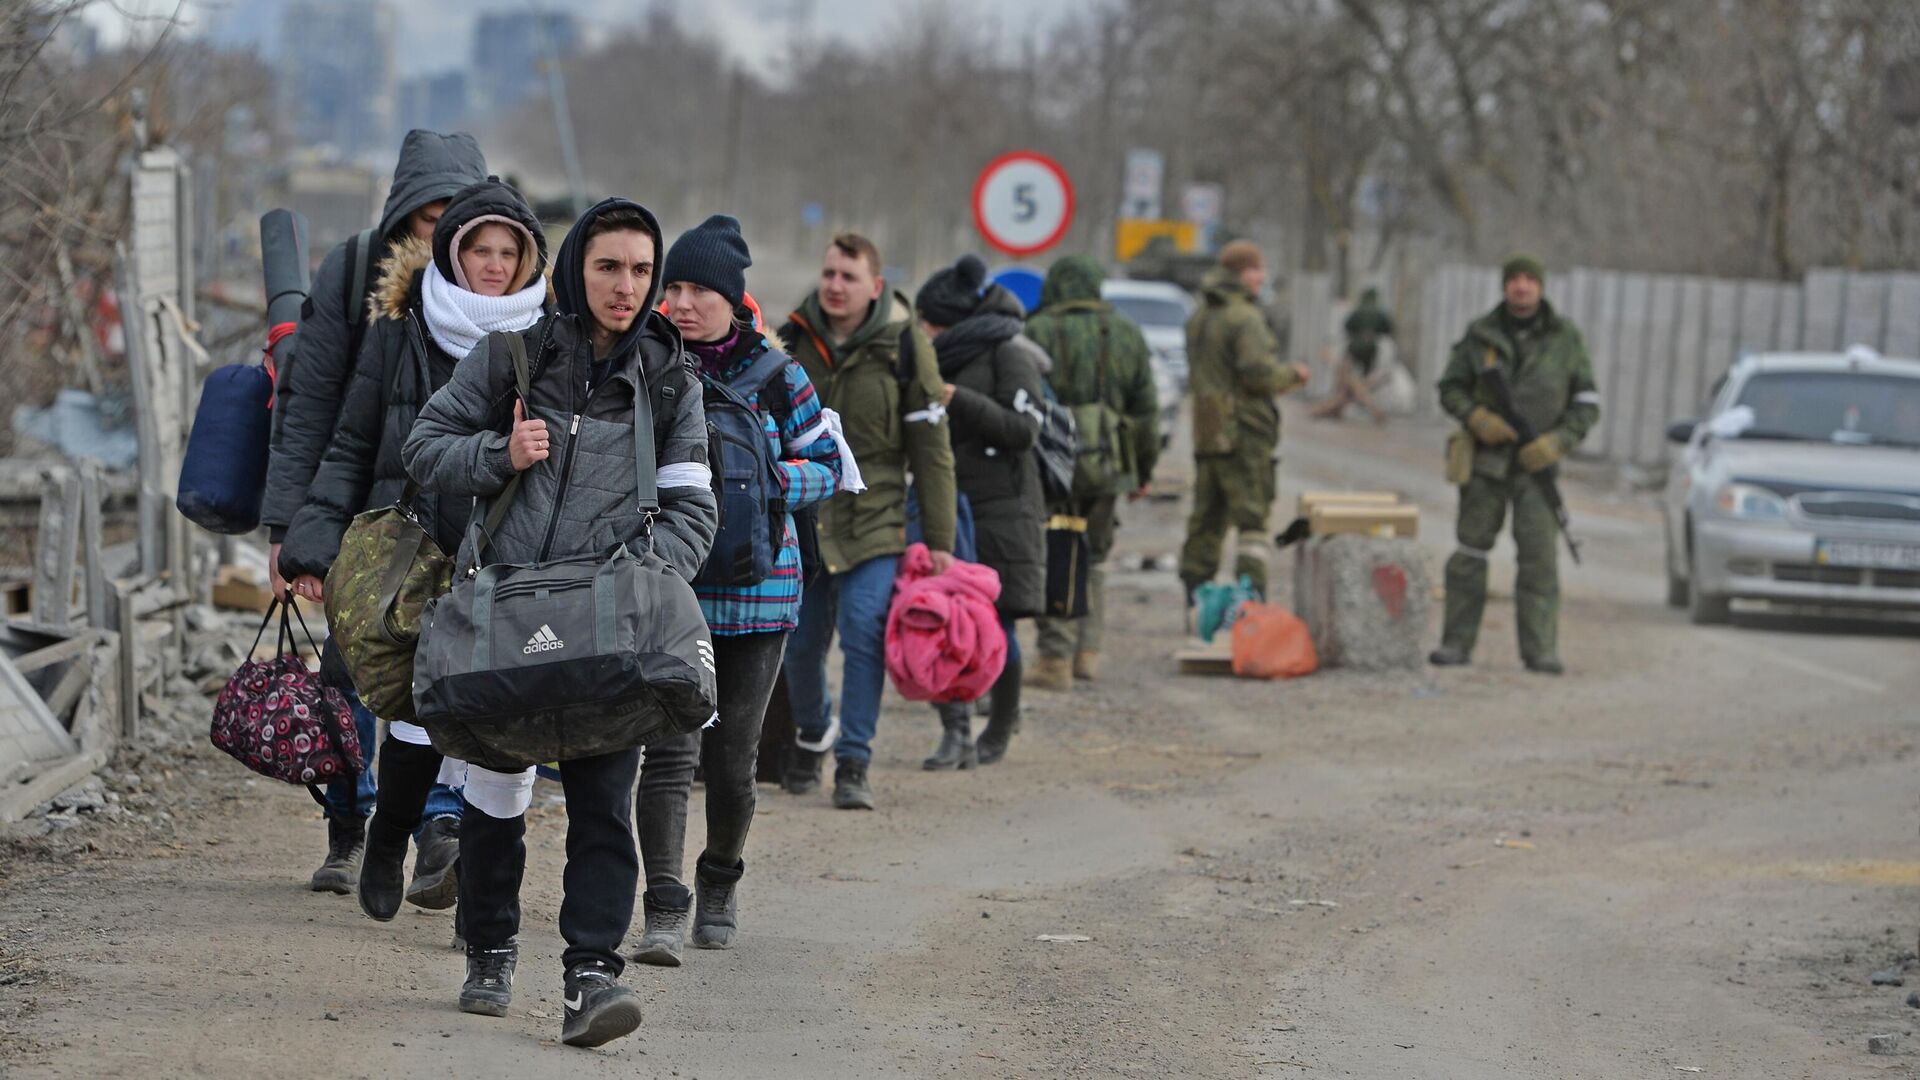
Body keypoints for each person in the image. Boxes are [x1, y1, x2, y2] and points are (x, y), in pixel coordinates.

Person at [402, 198, 716, 1047]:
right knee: (496, 801)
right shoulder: (512, 355)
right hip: (504, 616)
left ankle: (591, 977)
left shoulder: (670, 380)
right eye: (609, 266)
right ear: (576, 264)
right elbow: (425, 447)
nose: (626, 286)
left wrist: (644, 590)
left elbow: (693, 510)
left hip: (611, 632)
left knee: (604, 806)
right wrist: (500, 456)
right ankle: (491, 946)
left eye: (642, 271)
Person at [279, 177, 550, 924]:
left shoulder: (548, 336)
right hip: (412, 549)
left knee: (488, 711)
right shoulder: (400, 330)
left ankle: (463, 871)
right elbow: (351, 441)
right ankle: (391, 835)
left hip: (506, 554)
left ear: (529, 260)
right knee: (409, 704)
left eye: (509, 252)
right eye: (479, 250)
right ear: (453, 253)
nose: (494, 266)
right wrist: (310, 543)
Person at [262, 129, 487, 896]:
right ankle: (347, 823)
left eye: (460, 213)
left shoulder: (509, 284)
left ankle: (438, 828)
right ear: (401, 216)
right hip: (370, 515)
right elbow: (313, 405)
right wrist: (293, 532)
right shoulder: (362, 274)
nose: (446, 231)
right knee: (352, 671)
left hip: (470, 521)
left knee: (452, 672)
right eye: (430, 216)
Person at [630, 216, 842, 966]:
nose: (683, 303)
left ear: (733, 298)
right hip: (668, 589)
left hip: (758, 597)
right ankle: (662, 905)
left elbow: (829, 467)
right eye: (675, 287)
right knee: (666, 755)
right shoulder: (642, 362)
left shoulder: (778, 376)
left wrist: (771, 481)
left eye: (700, 290)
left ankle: (718, 878)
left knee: (731, 761)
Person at [778, 234, 958, 810]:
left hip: (877, 516)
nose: (834, 285)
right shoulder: (792, 338)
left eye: (848, 277)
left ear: (874, 288)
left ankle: (854, 759)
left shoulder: (903, 345)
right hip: (807, 517)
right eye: (829, 273)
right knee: (800, 645)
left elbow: (932, 449)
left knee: (863, 630)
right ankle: (814, 733)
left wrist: (941, 540)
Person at [1430, 255, 1600, 676]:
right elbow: (1450, 388)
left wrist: (1556, 443)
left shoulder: (1565, 339)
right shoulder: (1481, 335)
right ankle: (1455, 643)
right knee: (1470, 552)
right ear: (1505, 286)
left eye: (1529, 280)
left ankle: (1540, 650)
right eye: (1515, 280)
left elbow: (1587, 403)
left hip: (1536, 470)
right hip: (1487, 464)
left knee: (1539, 559)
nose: (1522, 287)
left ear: (1540, 287)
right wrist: (1477, 419)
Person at [912, 255, 1049, 767]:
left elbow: (1023, 430)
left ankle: (1000, 724)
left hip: (1003, 510)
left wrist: (958, 399)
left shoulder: (1008, 353)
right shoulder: (933, 356)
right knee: (944, 621)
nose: (922, 330)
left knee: (999, 624)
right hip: (948, 505)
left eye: (929, 321)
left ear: (953, 321)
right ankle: (956, 731)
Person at [1021, 254, 1160, 691]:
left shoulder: (1037, 330)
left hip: (1052, 464)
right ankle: (1088, 652)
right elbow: (1145, 410)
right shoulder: (1127, 332)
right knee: (1095, 556)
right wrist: (1142, 470)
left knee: (1058, 546)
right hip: (1109, 461)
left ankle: (1054, 658)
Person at [1177, 240, 1310, 602]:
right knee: (1252, 521)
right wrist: (1293, 375)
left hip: (1208, 432)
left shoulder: (1200, 316)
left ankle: (1195, 604)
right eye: (1257, 270)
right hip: (1244, 434)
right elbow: (1257, 374)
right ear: (1241, 272)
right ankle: (1251, 607)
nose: (1262, 277)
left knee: (1206, 519)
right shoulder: (1244, 317)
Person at [1309, 286, 1393, 424]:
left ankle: (1365, 405)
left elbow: (1347, 326)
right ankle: (1343, 405)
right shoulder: (1380, 311)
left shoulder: (1358, 310)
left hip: (1354, 348)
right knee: (1360, 380)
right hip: (1371, 349)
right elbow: (1388, 329)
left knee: (1348, 379)